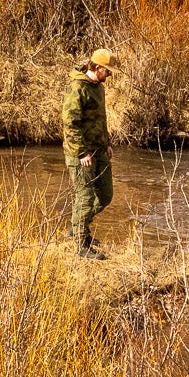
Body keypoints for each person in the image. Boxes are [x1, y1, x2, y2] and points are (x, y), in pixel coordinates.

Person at [62, 48, 115, 258]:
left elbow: (101, 119)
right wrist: (81, 152)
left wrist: (107, 143)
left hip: (99, 149)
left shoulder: (98, 87)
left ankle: (77, 226)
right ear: (99, 67)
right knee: (84, 197)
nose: (109, 75)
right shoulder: (77, 87)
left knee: (105, 195)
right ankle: (80, 244)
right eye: (108, 71)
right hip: (80, 154)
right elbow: (69, 124)